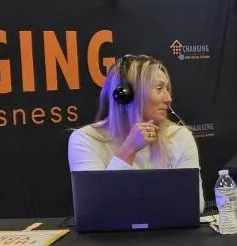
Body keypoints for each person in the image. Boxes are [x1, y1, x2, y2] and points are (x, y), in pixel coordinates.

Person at [67, 53, 199, 173]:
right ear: (127, 96)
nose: (168, 98)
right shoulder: (85, 140)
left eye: (167, 89)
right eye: (159, 88)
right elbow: (97, 199)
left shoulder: (180, 137)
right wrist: (128, 150)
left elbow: (193, 198)